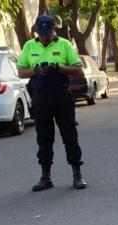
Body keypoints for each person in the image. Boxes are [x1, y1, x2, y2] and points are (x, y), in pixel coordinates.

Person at [17, 15, 87, 191]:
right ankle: (45, 177)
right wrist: (35, 71)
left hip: (61, 96)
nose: (44, 37)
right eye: (41, 34)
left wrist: (58, 68)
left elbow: (78, 69)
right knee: (44, 138)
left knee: (70, 136)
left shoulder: (64, 44)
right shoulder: (29, 46)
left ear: (53, 30)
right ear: (37, 31)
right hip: (40, 96)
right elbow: (20, 72)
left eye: (47, 33)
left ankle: (77, 174)